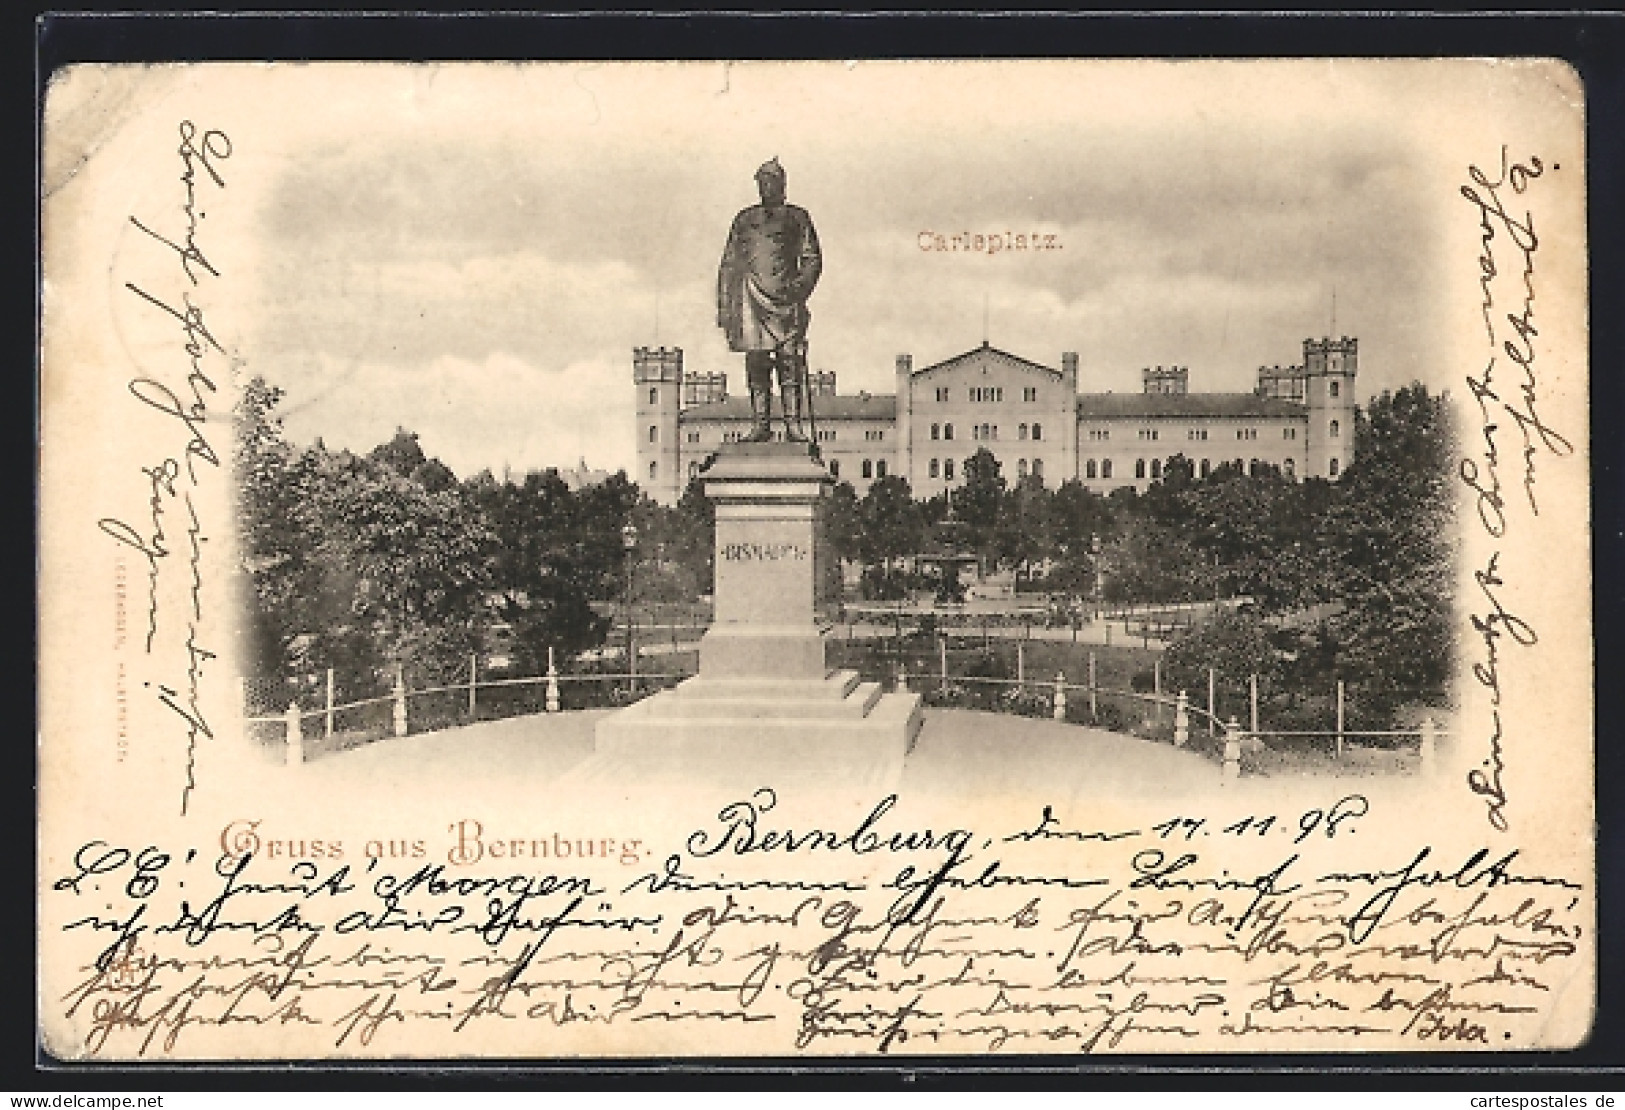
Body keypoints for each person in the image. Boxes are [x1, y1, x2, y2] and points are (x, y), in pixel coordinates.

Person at [716, 158, 823, 442]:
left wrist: (799, 288)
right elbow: (728, 263)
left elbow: (812, 258)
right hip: (751, 297)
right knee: (756, 361)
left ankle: (793, 426)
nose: (766, 187)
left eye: (772, 181)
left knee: (790, 360)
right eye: (762, 182)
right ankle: (760, 425)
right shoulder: (744, 220)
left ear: (782, 185)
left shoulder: (797, 217)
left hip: (786, 299)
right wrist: (725, 305)